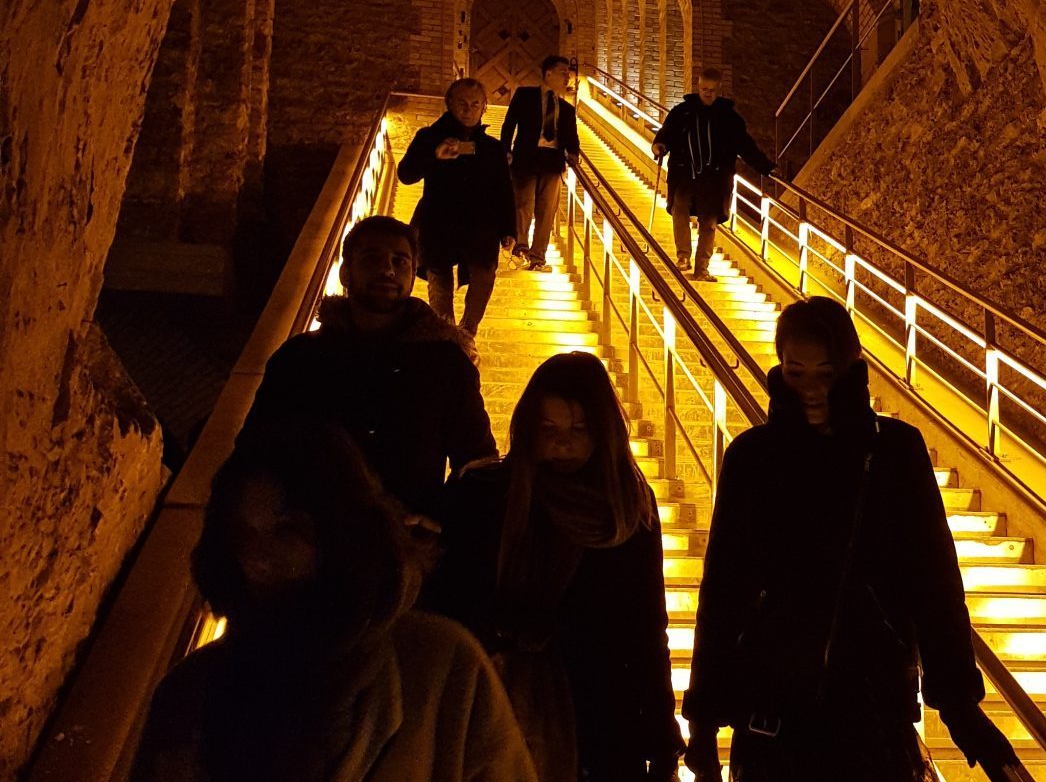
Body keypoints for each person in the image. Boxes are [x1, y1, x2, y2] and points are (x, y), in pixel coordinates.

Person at [682, 297, 1024, 781]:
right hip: (774, 715)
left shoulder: (895, 453)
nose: (811, 391)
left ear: (850, 367)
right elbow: (723, 592)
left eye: (826, 373)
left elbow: (935, 587)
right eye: (796, 373)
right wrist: (703, 721)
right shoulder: (753, 458)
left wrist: (960, 707)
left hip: (871, 712)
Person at [130, 420, 539, 782]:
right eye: (242, 533)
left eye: (288, 531)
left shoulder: (442, 671)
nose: (257, 557)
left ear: (342, 537)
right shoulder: (190, 696)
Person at [425, 351, 683, 782]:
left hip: (599, 717)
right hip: (498, 707)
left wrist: (661, 736)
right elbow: (452, 601)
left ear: (604, 433)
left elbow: (645, 627)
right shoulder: (487, 494)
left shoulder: (627, 508)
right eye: (549, 430)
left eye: (580, 430)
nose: (563, 444)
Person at [240, 215, 496, 520]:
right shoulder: (301, 359)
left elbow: (477, 461)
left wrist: (440, 517)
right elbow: (256, 451)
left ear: (413, 274)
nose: (387, 270)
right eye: (372, 258)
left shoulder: (445, 364)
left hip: (406, 548)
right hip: (319, 542)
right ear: (345, 272)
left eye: (399, 261)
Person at [397, 77, 518, 334]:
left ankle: (466, 334)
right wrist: (433, 157)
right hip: (438, 225)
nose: (468, 110)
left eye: (475, 104)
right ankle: (446, 340)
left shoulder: (492, 148)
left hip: (481, 230)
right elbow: (406, 174)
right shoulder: (428, 137)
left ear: (484, 107)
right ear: (449, 103)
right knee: (440, 287)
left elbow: (504, 190)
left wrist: (510, 229)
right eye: (462, 103)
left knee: (484, 279)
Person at [651, 68, 775, 282]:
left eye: (712, 90)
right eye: (704, 89)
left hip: (714, 179)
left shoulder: (729, 118)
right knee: (680, 208)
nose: (707, 93)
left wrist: (767, 167)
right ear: (699, 87)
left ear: (719, 90)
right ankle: (683, 257)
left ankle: (702, 268)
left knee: (709, 223)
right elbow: (667, 133)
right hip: (684, 174)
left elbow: (746, 146)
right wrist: (659, 145)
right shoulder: (683, 112)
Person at [501, 55, 580, 273]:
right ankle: (520, 247)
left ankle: (538, 257)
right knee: (523, 205)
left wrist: (573, 154)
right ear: (548, 74)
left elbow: (572, 139)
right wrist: (505, 150)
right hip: (526, 158)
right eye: (563, 73)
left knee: (547, 212)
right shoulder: (525, 95)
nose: (567, 78)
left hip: (552, 162)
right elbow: (509, 125)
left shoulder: (567, 109)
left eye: (568, 74)